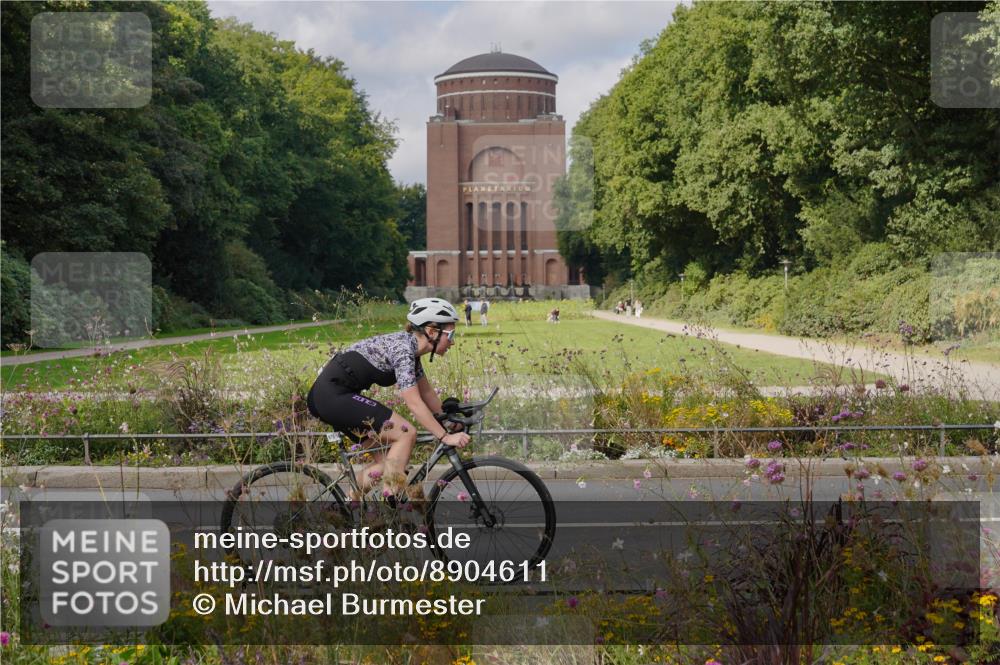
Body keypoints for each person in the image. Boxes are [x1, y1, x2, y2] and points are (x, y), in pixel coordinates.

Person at [306, 298, 470, 498]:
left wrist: (448, 421)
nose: (452, 341)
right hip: (331, 395)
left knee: (385, 464)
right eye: (450, 334)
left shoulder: (412, 353)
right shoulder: (403, 350)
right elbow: (414, 402)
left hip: (332, 396)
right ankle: (390, 505)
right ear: (432, 332)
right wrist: (444, 436)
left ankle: (345, 509)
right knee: (406, 433)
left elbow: (426, 393)